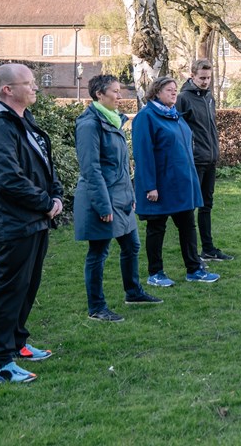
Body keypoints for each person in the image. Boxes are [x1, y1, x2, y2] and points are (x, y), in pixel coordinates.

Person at [0, 63, 63, 384]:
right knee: (9, 291)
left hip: (34, 221)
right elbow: (7, 178)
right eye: (29, 83)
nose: (36, 87)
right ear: (8, 89)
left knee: (27, 287)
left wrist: (57, 195)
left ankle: (18, 344)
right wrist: (45, 203)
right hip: (14, 223)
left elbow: (44, 164)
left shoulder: (23, 120)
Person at [74, 75, 162, 323]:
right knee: (99, 253)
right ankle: (96, 307)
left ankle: (133, 293)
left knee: (132, 245)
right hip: (101, 199)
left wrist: (130, 195)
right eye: (115, 91)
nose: (119, 95)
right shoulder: (89, 124)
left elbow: (121, 166)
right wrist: (103, 205)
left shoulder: (112, 121)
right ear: (99, 94)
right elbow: (91, 169)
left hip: (121, 198)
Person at [132, 76, 219, 286]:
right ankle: (155, 273)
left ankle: (194, 269)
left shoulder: (175, 115)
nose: (174, 93)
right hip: (161, 186)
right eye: (169, 90)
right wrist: (150, 186)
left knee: (188, 226)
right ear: (156, 92)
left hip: (181, 185)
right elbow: (143, 154)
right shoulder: (147, 117)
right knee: (157, 228)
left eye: (174, 89)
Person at [176, 59, 233, 261]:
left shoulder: (209, 97)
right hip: (194, 161)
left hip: (210, 159)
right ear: (192, 76)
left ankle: (208, 249)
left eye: (208, 78)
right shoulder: (183, 98)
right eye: (201, 78)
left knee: (206, 205)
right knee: (191, 207)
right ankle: (191, 255)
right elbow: (178, 131)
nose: (205, 81)